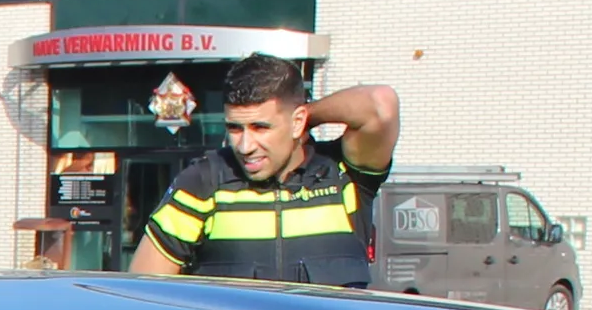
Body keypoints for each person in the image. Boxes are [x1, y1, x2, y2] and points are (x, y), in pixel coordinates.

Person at [131, 56, 401, 287]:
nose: (245, 146)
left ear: (298, 122)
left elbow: (380, 104)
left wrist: (308, 115)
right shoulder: (202, 183)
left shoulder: (343, 175)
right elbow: (142, 296)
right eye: (235, 128)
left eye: (261, 127)